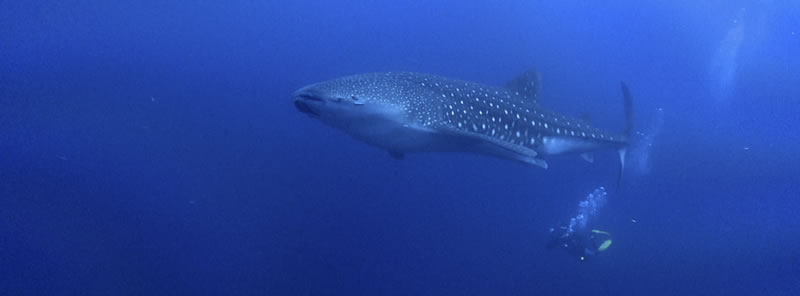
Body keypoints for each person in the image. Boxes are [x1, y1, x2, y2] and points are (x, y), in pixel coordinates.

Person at [547, 225, 612, 261]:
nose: (565, 233)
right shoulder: (562, 238)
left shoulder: (572, 235)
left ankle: (593, 239)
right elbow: (553, 243)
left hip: (581, 249)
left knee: (594, 254)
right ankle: (593, 239)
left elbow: (580, 241)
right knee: (593, 254)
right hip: (579, 250)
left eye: (566, 231)